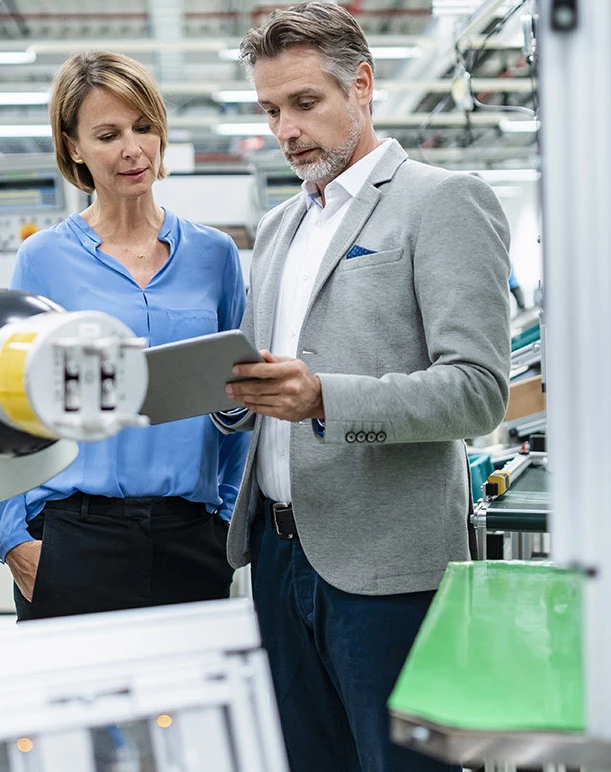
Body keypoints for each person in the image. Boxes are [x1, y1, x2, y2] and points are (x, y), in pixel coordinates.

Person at [216, 4, 511, 771]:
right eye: (271, 110)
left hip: (385, 570)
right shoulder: (280, 225)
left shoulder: (442, 201)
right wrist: (229, 396)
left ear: (364, 86)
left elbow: (478, 390)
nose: (286, 130)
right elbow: (270, 382)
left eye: (305, 103)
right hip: (277, 560)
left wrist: (325, 400)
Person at [0, 51, 250, 621]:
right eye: (108, 134)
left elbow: (239, 399)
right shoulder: (43, 260)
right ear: (74, 147)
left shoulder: (215, 256)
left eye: (144, 127)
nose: (133, 149)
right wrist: (12, 538)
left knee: (191, 708)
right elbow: (7, 409)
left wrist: (228, 520)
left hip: (191, 537)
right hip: (72, 537)